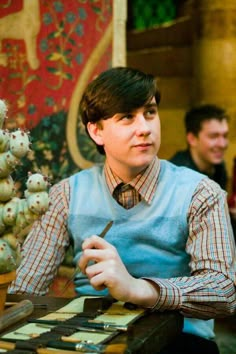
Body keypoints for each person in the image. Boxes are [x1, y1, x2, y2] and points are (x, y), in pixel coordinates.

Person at [9, 67, 236, 354]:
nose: (144, 127)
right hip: (87, 336)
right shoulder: (66, 194)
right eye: (127, 116)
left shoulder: (201, 192)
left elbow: (224, 291)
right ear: (96, 130)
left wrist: (137, 288)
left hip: (178, 340)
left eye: (150, 112)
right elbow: (24, 292)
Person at [170, 104, 229, 190]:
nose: (222, 144)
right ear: (192, 139)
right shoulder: (177, 177)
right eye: (213, 136)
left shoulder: (219, 167)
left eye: (225, 136)